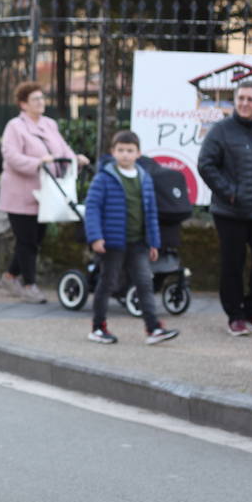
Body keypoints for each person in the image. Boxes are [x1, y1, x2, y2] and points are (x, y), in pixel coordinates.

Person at [197, 80, 252, 336]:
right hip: (230, 212)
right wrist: (229, 193)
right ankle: (235, 315)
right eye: (240, 98)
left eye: (250, 99)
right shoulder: (220, 130)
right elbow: (206, 165)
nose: (244, 103)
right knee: (233, 264)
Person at [84, 131, 180, 345]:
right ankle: (98, 327)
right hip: (112, 242)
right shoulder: (104, 178)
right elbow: (92, 208)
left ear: (138, 154)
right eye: (121, 150)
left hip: (139, 243)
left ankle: (153, 328)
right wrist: (96, 237)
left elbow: (151, 211)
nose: (125, 155)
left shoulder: (144, 178)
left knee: (145, 283)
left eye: (130, 151)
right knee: (107, 283)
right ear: (113, 152)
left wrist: (154, 242)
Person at [0, 81, 89, 303]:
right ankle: (30, 285)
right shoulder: (15, 127)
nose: (41, 102)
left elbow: (62, 148)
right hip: (20, 194)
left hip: (46, 194)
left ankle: (10, 277)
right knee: (26, 240)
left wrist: (75, 158)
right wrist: (38, 162)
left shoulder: (49, 124)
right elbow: (11, 156)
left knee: (35, 239)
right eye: (35, 99)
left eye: (42, 98)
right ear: (23, 104)